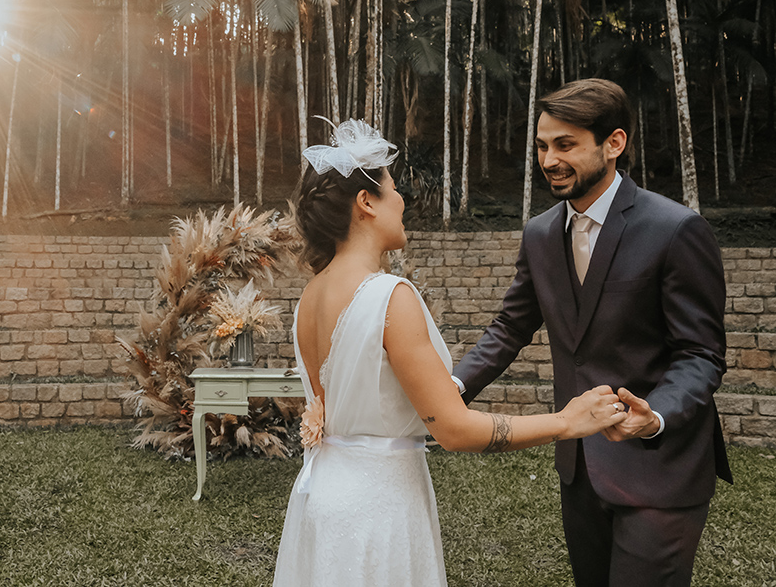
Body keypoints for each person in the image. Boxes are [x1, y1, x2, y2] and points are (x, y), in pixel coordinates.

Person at [273, 118, 626, 587]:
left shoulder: (310, 297)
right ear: (366, 204)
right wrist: (569, 421)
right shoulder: (388, 296)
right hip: (378, 508)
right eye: (393, 190)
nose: (402, 202)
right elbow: (456, 430)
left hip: (323, 498)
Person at [452, 79, 733, 587]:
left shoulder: (676, 229)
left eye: (565, 145)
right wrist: (448, 391)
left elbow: (701, 354)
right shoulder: (539, 233)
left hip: (660, 468)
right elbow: (510, 327)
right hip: (579, 468)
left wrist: (657, 417)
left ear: (614, 144)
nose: (550, 159)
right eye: (542, 145)